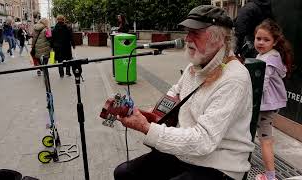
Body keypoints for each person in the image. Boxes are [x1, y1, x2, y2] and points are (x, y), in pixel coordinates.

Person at [114, 5, 255, 180]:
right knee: (124, 173)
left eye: (195, 33)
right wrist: (151, 113)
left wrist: (146, 127)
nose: (187, 38)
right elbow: (175, 93)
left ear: (218, 39)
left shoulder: (235, 78)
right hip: (185, 152)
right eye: (187, 32)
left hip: (219, 164)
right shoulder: (195, 65)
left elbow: (203, 141)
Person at [254, 19, 293, 180]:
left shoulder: (268, 60)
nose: (261, 42)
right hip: (265, 105)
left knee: (265, 141)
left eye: (266, 40)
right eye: (258, 38)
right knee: (263, 139)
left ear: (275, 41)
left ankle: (270, 177)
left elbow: (261, 84)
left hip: (264, 105)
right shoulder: (268, 55)